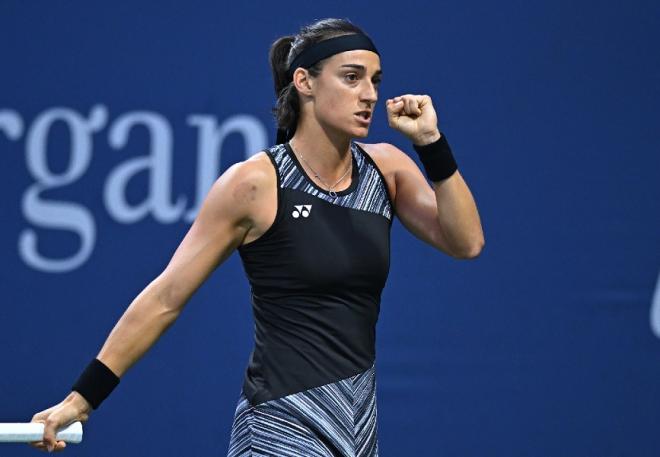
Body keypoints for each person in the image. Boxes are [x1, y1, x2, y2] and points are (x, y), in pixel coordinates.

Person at [28, 17, 484, 456]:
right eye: (351, 78)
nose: (368, 95)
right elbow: (166, 296)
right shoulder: (254, 184)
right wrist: (82, 398)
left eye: (375, 80)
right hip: (277, 428)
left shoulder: (387, 168)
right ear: (304, 82)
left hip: (357, 433)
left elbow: (466, 243)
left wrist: (431, 143)